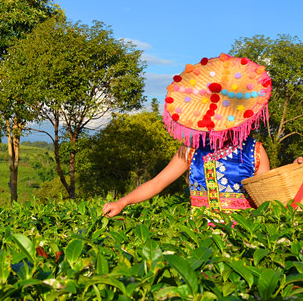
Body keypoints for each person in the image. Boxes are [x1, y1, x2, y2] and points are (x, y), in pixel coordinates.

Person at [103, 53, 280, 218]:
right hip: (198, 235)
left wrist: (298, 170)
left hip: (243, 237)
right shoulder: (192, 148)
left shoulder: (254, 151)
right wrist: (122, 202)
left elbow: (269, 197)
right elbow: (159, 182)